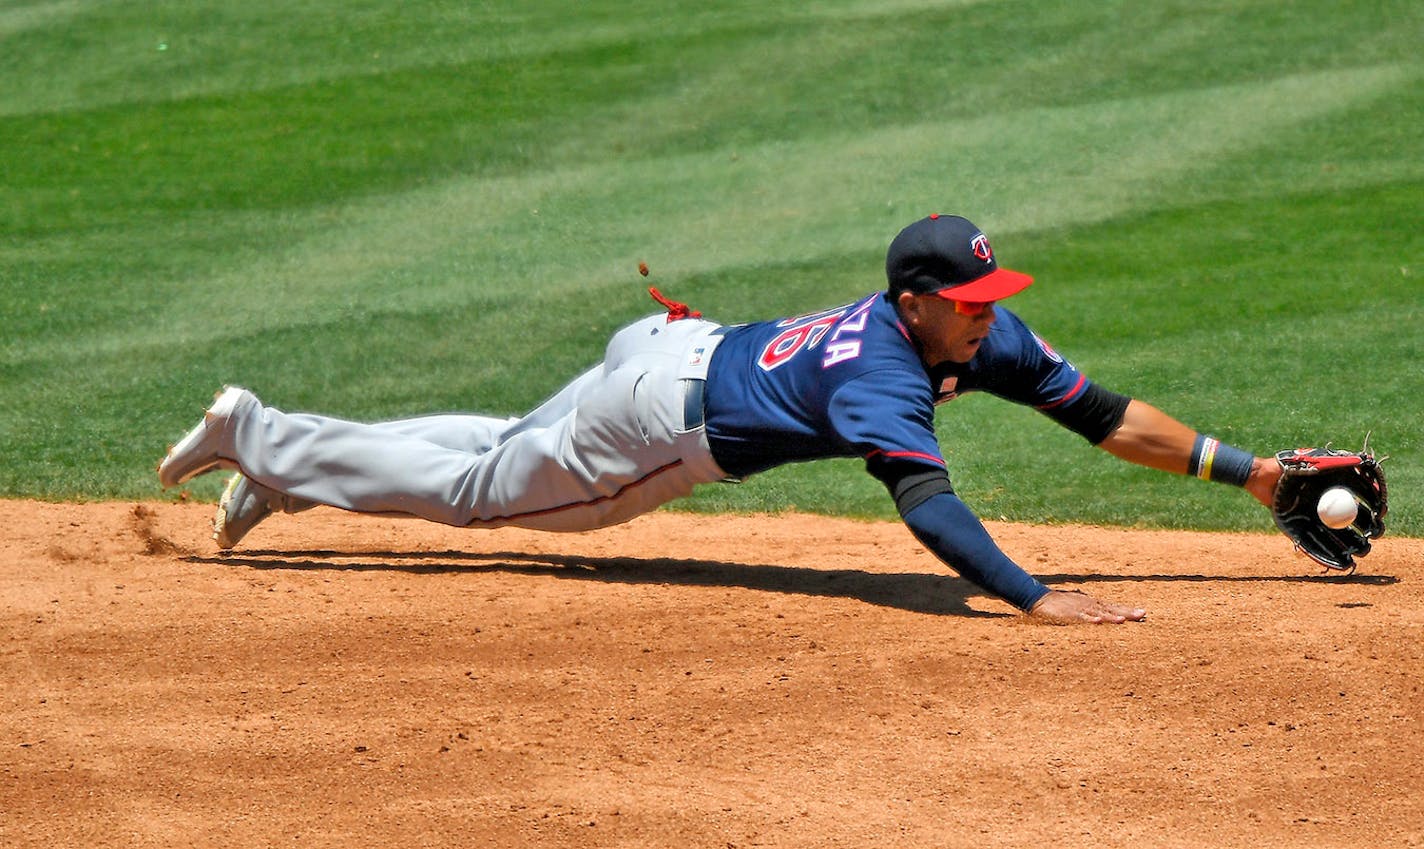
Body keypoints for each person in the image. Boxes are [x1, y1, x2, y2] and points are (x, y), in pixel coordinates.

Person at [158, 213, 1283, 625]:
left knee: (501, 442)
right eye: (968, 305)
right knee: (482, 493)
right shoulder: (883, 379)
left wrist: (1251, 475)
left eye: (991, 301)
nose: (988, 322)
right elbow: (929, 511)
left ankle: (285, 459)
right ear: (914, 305)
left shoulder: (970, 337)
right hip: (649, 430)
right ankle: (260, 434)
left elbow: (1099, 414)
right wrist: (1038, 600)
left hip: (666, 353)